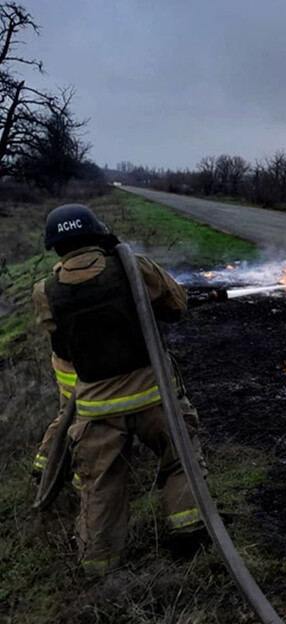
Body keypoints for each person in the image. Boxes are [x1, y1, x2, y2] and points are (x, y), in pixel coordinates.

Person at [32, 203, 205, 576]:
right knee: (180, 459)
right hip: (154, 396)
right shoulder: (134, 267)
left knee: (101, 484)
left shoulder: (45, 292)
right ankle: (189, 528)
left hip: (96, 410)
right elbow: (176, 306)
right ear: (99, 233)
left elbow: (61, 341)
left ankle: (99, 564)